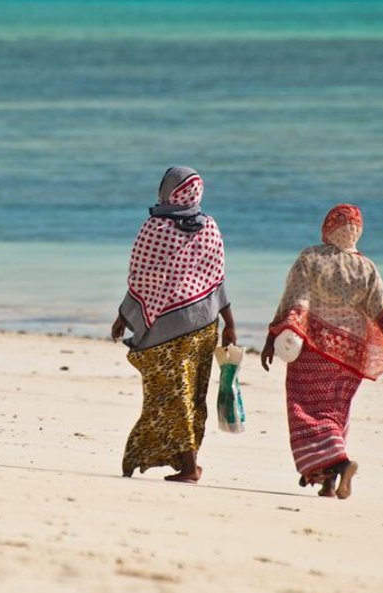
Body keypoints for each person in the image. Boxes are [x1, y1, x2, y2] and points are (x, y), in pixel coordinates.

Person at [260, 203, 383, 499]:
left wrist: (273, 334)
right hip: (350, 355)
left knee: (305, 411)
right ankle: (327, 482)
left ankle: (341, 464)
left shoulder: (311, 257)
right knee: (334, 413)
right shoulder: (367, 268)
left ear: (328, 228)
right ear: (357, 231)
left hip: (314, 351)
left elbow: (296, 300)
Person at [111, 166, 237, 483]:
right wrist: (229, 323)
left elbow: (142, 278)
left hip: (165, 328)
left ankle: (189, 464)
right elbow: (216, 279)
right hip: (205, 324)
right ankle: (182, 458)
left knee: (170, 394)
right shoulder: (209, 226)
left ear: (167, 191)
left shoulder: (154, 227)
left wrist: (123, 315)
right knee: (189, 394)